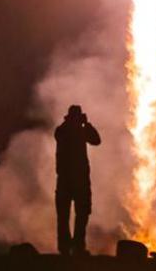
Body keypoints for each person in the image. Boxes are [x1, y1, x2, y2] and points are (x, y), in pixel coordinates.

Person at [54, 104, 101, 256]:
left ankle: (73, 246)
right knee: (68, 215)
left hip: (72, 180)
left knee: (78, 214)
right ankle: (69, 247)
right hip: (71, 179)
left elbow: (96, 140)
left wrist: (86, 125)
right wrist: (83, 124)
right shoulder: (64, 130)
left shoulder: (74, 130)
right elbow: (95, 140)